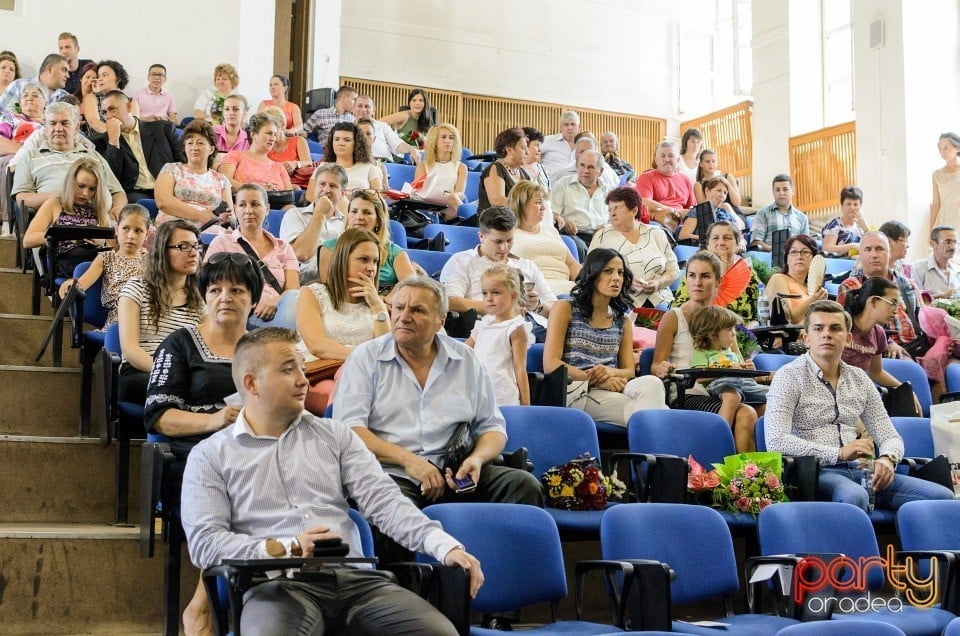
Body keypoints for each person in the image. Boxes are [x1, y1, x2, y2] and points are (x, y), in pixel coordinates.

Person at [181, 327, 483, 635]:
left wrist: (445, 547)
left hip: (357, 582)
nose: (303, 379)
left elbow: (385, 502)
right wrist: (288, 548)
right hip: (276, 586)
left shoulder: (335, 435)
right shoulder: (210, 456)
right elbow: (206, 544)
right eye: (288, 370)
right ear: (251, 383)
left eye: (302, 367)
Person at [333, 276, 544, 560]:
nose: (403, 317)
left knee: (523, 487)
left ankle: (500, 588)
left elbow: (493, 428)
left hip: (456, 470)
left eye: (417, 310)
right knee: (389, 505)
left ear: (440, 320)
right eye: (398, 308)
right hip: (394, 472)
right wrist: (411, 462)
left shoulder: (465, 360)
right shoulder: (366, 358)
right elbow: (351, 429)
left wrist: (477, 459)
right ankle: (407, 592)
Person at [144, 252, 263, 636]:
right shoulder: (179, 344)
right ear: (205, 296)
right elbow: (158, 416)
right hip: (192, 455)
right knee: (242, 488)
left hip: (256, 452)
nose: (225, 297)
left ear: (253, 299)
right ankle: (206, 605)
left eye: (237, 290)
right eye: (215, 289)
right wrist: (214, 420)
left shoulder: (265, 348)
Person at [764, 300, 954, 512]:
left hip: (861, 469)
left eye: (835, 328)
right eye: (818, 328)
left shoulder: (859, 379)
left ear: (848, 338)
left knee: (942, 497)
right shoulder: (788, 377)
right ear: (806, 338)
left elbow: (889, 435)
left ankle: (904, 546)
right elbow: (776, 441)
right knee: (855, 496)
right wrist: (839, 453)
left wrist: (888, 459)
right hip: (814, 471)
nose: (826, 334)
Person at [544, 248, 668, 425]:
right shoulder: (565, 308)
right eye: (608, 271)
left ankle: (649, 441)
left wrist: (608, 373)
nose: (616, 278)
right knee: (658, 415)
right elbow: (551, 364)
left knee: (653, 384)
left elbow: (628, 371)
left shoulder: (622, 320)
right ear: (593, 274)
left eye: (620, 272)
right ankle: (655, 439)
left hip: (614, 387)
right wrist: (595, 380)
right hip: (578, 389)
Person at [653, 251, 759, 451]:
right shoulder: (673, 317)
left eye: (705, 276)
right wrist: (662, 368)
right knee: (746, 414)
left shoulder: (725, 320)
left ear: (718, 281)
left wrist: (746, 365)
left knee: (771, 408)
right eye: (692, 276)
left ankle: (758, 477)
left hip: (725, 389)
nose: (697, 282)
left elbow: (735, 360)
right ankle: (737, 475)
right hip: (689, 393)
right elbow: (656, 364)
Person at [297, 227, 391, 414]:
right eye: (363, 259)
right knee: (348, 395)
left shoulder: (376, 305)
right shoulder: (313, 294)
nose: (371, 268)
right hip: (317, 375)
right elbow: (317, 345)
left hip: (362, 378)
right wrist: (362, 357)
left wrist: (377, 307)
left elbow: (385, 352)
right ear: (343, 260)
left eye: (375, 261)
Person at [117, 219, 205, 405]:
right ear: (163, 252)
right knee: (191, 388)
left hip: (184, 373)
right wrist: (169, 373)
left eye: (196, 246)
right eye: (183, 246)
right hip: (140, 372)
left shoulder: (199, 299)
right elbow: (130, 349)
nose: (193, 253)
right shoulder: (136, 289)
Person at [439, 205, 557, 339]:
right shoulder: (462, 261)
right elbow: (449, 301)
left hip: (534, 324)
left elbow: (555, 308)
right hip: (490, 325)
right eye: (498, 241)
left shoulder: (527, 265)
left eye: (509, 240)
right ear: (481, 236)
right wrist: (499, 306)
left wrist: (538, 305)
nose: (504, 248)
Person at [206, 184, 300, 328]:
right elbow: (208, 284)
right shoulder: (222, 243)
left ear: (267, 209)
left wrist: (276, 302)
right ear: (236, 209)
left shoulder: (284, 248)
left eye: (255, 204)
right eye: (242, 205)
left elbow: (293, 291)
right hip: (241, 314)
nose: (248, 210)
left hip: (280, 312)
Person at [12, 102, 125, 220]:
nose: (58, 129)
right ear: (45, 128)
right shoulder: (30, 156)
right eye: (52, 123)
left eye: (65, 123)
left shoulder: (94, 156)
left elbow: (118, 192)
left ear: (76, 128)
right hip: (54, 220)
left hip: (99, 221)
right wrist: (62, 197)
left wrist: (116, 210)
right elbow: (22, 198)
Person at [22, 157, 114, 280]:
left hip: (94, 257)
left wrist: (101, 241)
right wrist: (64, 236)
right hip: (67, 259)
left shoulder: (98, 208)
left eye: (92, 189)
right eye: (81, 186)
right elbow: (28, 240)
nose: (85, 193)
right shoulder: (55, 203)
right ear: (71, 182)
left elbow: (111, 244)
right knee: (89, 265)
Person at [57, 203, 149, 326]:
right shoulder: (106, 258)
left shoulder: (152, 261)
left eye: (138, 231)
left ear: (147, 235)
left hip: (149, 319)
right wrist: (72, 283)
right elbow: (82, 283)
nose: (131, 236)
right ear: (116, 229)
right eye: (125, 228)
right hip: (119, 321)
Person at [841, 276, 922, 415]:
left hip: (855, 397)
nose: (896, 311)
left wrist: (906, 391)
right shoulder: (841, 324)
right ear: (873, 301)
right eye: (892, 303)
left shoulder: (879, 333)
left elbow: (876, 372)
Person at [837, 232, 923, 359]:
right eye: (868, 249)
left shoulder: (907, 284)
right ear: (860, 255)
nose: (874, 255)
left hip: (916, 345)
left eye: (879, 249)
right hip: (880, 349)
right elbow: (850, 329)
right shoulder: (851, 286)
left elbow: (923, 320)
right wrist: (888, 342)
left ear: (889, 253)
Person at [589, 186, 678, 308]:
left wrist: (658, 283)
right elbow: (590, 272)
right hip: (620, 299)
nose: (612, 213)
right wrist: (624, 281)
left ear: (634, 210)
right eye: (610, 209)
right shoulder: (602, 236)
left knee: (668, 315)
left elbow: (673, 271)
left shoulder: (656, 233)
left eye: (617, 208)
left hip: (660, 297)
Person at [317, 189, 414, 297]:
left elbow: (411, 285)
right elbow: (331, 289)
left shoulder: (394, 252)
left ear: (378, 220)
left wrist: (385, 300)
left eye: (367, 212)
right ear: (347, 216)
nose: (359, 217)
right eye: (354, 211)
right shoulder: (329, 248)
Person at [689, 305, 769, 433]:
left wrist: (750, 371)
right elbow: (699, 377)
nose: (734, 334)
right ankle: (720, 434)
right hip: (723, 384)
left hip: (744, 383)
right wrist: (726, 368)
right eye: (729, 329)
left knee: (774, 394)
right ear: (711, 334)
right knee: (732, 397)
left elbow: (748, 376)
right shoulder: (703, 352)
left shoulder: (731, 352)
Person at [93, 90, 182, 201]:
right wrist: (114, 142)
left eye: (112, 109)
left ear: (128, 107)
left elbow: (183, 160)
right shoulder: (102, 141)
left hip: (170, 188)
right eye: (105, 113)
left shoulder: (162, 129)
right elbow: (111, 181)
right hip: (136, 194)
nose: (109, 116)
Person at [465, 265, 533, 406]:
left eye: (495, 293)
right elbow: (463, 351)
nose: (488, 298)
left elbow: (520, 369)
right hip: (477, 392)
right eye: (484, 293)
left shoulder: (515, 328)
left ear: (513, 296)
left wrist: (526, 407)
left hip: (503, 397)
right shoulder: (483, 324)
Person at [672, 221, 762, 325]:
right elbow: (679, 311)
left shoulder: (749, 274)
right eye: (715, 238)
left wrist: (748, 334)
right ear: (708, 245)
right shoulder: (696, 272)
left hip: (741, 333)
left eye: (727, 238)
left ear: (737, 244)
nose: (721, 242)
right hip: (701, 329)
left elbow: (758, 317)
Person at [154, 119, 234, 232]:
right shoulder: (171, 169)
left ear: (211, 149)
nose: (194, 147)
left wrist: (226, 218)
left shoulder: (221, 180)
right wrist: (200, 215)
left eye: (200, 143)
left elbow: (230, 216)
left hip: (211, 229)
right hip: (174, 226)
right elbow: (163, 202)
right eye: (190, 143)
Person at [280, 162, 348, 283]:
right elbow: (301, 254)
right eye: (322, 184)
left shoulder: (346, 223)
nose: (326, 189)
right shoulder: (294, 215)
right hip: (303, 283)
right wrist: (320, 214)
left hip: (338, 282)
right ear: (315, 188)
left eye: (333, 186)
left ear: (342, 193)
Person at [508, 180, 580, 296]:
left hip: (568, 286)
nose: (544, 208)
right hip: (537, 291)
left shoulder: (551, 231)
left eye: (543, 203)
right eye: (538, 202)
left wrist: (584, 282)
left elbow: (572, 264)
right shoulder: (509, 234)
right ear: (522, 204)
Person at [218, 113, 294, 205]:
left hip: (276, 208)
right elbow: (223, 181)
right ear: (253, 134)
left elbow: (289, 197)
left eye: (275, 134)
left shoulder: (279, 166)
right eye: (269, 133)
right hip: (244, 208)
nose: (273, 138)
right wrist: (257, 189)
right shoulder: (235, 156)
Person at [551, 149, 612, 246]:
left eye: (591, 167)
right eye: (582, 165)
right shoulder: (563, 184)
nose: (585, 171)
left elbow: (616, 219)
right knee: (580, 246)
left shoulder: (608, 190)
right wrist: (564, 221)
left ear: (600, 171)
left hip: (602, 235)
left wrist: (607, 227)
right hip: (574, 235)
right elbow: (552, 214)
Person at [764, 234, 828, 324]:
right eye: (794, 252)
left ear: (814, 259)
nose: (799, 257)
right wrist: (813, 300)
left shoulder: (811, 288)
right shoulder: (779, 279)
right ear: (786, 259)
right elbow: (787, 318)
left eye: (805, 252)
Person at [635, 140, 696, 233]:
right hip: (659, 222)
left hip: (684, 225)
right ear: (656, 160)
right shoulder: (646, 177)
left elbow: (691, 208)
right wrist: (677, 212)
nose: (667, 159)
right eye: (663, 156)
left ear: (678, 160)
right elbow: (644, 202)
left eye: (671, 156)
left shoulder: (685, 180)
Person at [411, 123, 467, 220]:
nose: (448, 141)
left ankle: (470, 223)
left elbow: (460, 194)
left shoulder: (461, 167)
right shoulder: (423, 166)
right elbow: (419, 192)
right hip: (429, 203)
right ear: (435, 141)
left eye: (451, 138)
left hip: (450, 203)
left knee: (453, 198)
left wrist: (448, 197)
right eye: (443, 137)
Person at [749, 173, 810, 252]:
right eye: (777, 190)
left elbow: (806, 245)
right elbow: (755, 242)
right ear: (773, 192)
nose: (781, 193)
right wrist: (776, 251)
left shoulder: (802, 218)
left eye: (785, 189)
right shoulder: (763, 214)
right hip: (770, 260)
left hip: (795, 260)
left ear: (793, 191)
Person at [352, 95, 420, 163]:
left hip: (384, 163)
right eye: (360, 106)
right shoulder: (348, 127)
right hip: (358, 164)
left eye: (367, 106)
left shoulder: (382, 126)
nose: (363, 109)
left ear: (373, 110)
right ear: (353, 108)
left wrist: (411, 149)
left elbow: (397, 144)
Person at [677, 177, 744, 246]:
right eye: (719, 190)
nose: (722, 196)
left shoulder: (724, 214)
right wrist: (707, 239)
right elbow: (683, 236)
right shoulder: (697, 212)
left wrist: (741, 242)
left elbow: (738, 234)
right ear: (707, 191)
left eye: (725, 193)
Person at [477, 127, 529, 212]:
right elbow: (497, 201)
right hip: (493, 222)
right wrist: (527, 206)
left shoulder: (525, 174)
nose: (527, 152)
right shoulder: (495, 169)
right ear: (509, 150)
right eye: (523, 148)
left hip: (517, 221)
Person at [320, 121, 382, 192]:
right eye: (337, 139)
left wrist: (354, 195)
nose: (341, 143)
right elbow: (311, 196)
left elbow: (378, 196)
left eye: (347, 140)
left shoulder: (370, 168)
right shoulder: (323, 167)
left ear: (356, 143)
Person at [0, 53, 69, 115]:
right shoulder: (18, 85)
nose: (68, 75)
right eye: (64, 70)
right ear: (49, 69)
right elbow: (2, 114)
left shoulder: (65, 97)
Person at [82, 60, 136, 135]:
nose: (100, 79)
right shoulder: (91, 98)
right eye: (99, 76)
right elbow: (94, 123)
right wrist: (114, 133)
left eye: (104, 75)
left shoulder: (131, 102)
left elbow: (133, 126)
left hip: (125, 143)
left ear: (118, 79)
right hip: (98, 143)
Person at [912, 225, 960, 299]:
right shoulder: (918, 268)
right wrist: (941, 296)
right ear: (933, 244)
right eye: (947, 242)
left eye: (955, 242)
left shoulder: (957, 270)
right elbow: (914, 300)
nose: (952, 246)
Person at [262, 106, 312, 175]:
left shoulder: (298, 140)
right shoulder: (264, 145)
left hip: (297, 182)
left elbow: (308, 163)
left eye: (273, 128)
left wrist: (295, 164)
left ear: (282, 125)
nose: (270, 134)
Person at [821, 186, 869, 256]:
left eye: (855, 204)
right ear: (842, 205)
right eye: (848, 204)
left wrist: (866, 229)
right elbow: (827, 249)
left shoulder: (861, 226)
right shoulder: (833, 225)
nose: (852, 208)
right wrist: (852, 246)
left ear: (860, 206)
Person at [930, 132, 960, 232]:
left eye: (946, 148)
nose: (943, 152)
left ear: (957, 148)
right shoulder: (937, 175)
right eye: (940, 148)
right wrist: (931, 229)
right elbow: (935, 204)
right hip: (943, 221)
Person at [539, 110, 580, 179]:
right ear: (561, 127)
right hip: (551, 186)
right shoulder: (547, 140)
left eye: (573, 124)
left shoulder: (583, 145)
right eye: (566, 124)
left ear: (579, 126)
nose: (570, 128)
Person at [521, 126, 551, 194]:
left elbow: (549, 193)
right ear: (525, 145)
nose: (540, 150)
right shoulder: (515, 170)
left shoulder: (543, 169)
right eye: (536, 145)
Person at [72, 61, 97, 129]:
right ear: (81, 78)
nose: (90, 81)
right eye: (87, 77)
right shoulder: (70, 99)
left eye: (94, 79)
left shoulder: (100, 101)